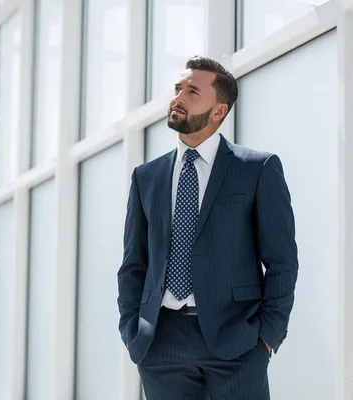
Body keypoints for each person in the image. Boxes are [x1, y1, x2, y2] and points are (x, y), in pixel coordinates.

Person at [117, 56, 299, 400]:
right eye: (178, 89)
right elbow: (133, 263)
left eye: (193, 91)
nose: (179, 98)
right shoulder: (147, 177)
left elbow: (282, 261)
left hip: (237, 341)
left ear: (218, 110)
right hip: (161, 343)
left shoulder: (258, 169)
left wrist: (266, 337)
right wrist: (132, 329)